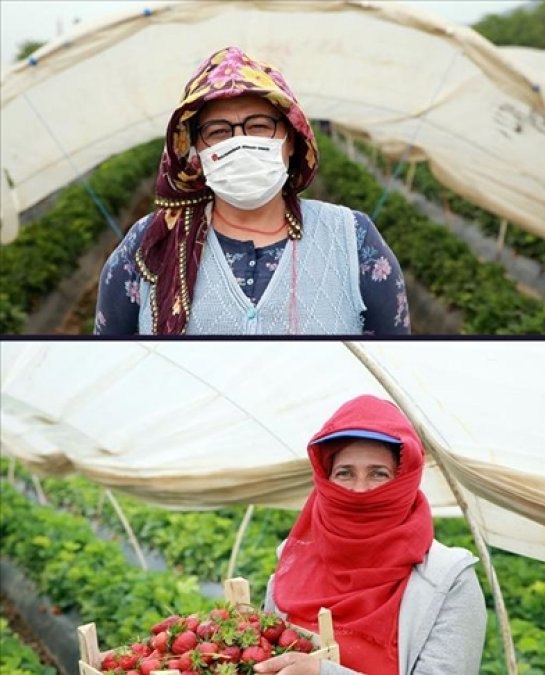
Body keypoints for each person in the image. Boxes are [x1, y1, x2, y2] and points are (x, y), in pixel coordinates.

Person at [95, 46, 411, 335]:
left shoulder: (352, 239)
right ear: (196, 152)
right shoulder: (151, 243)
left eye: (259, 126)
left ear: (291, 140)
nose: (240, 142)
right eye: (218, 131)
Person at [257, 394, 486, 674]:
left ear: (404, 480)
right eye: (344, 473)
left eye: (378, 474)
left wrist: (324, 672)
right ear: (325, 479)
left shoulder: (446, 580)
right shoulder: (294, 563)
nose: (359, 490)